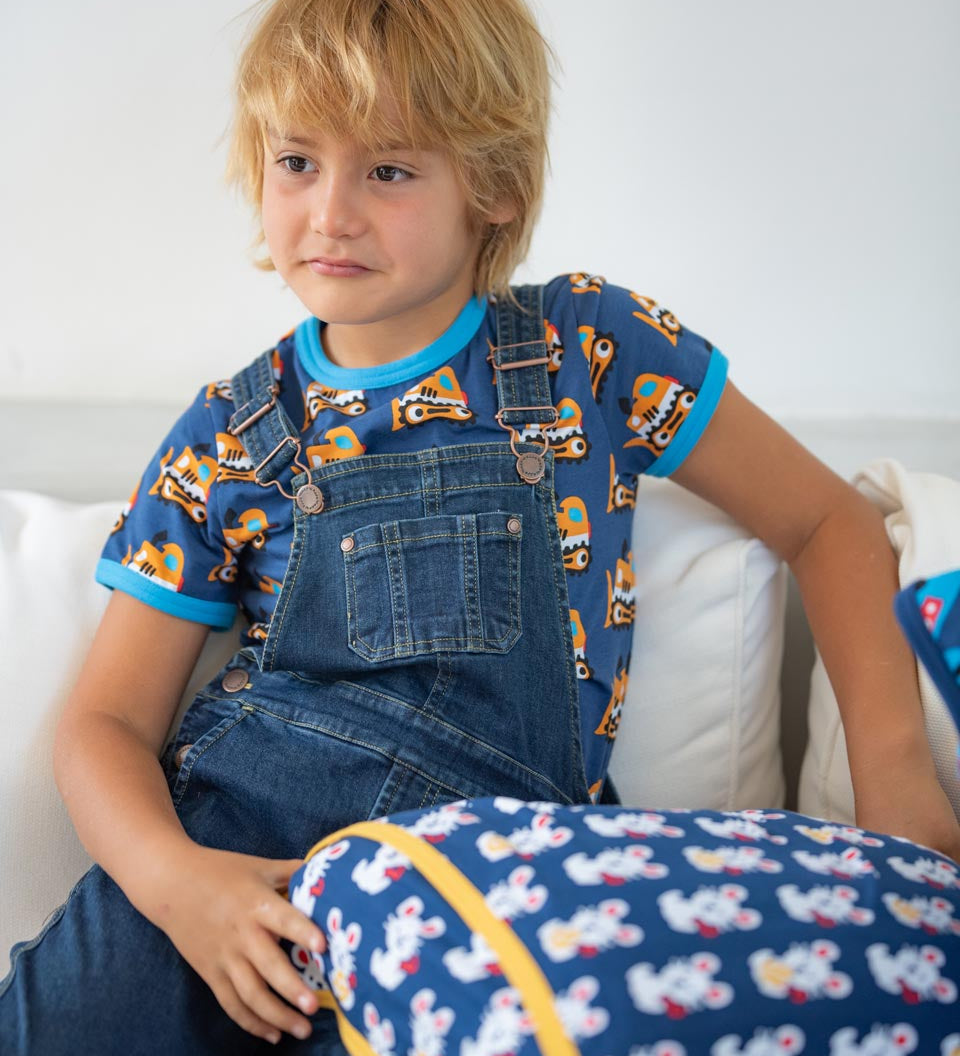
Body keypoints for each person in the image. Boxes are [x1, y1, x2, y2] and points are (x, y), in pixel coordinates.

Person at [2, 0, 958, 1051]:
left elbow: (830, 522)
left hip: (489, 880)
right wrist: (176, 883)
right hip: (233, 861)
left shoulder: (590, 350)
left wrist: (900, 794)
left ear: (493, 187)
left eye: (390, 171)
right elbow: (104, 726)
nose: (330, 215)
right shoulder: (227, 432)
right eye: (297, 163)